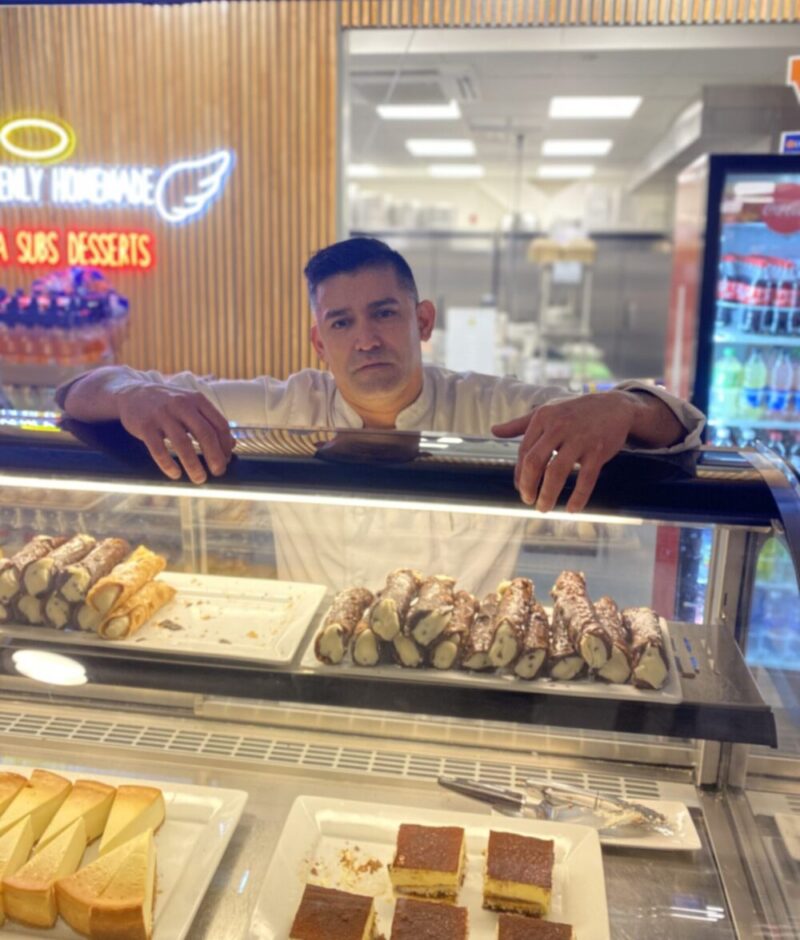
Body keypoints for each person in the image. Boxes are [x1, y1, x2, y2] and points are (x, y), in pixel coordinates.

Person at [59, 237, 704, 517]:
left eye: (384, 313)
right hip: (312, 660)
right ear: (319, 342)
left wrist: (622, 408)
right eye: (340, 323)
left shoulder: (495, 409)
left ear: (422, 320)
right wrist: (129, 393)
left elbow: (683, 428)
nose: (364, 337)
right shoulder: (278, 407)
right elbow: (75, 394)